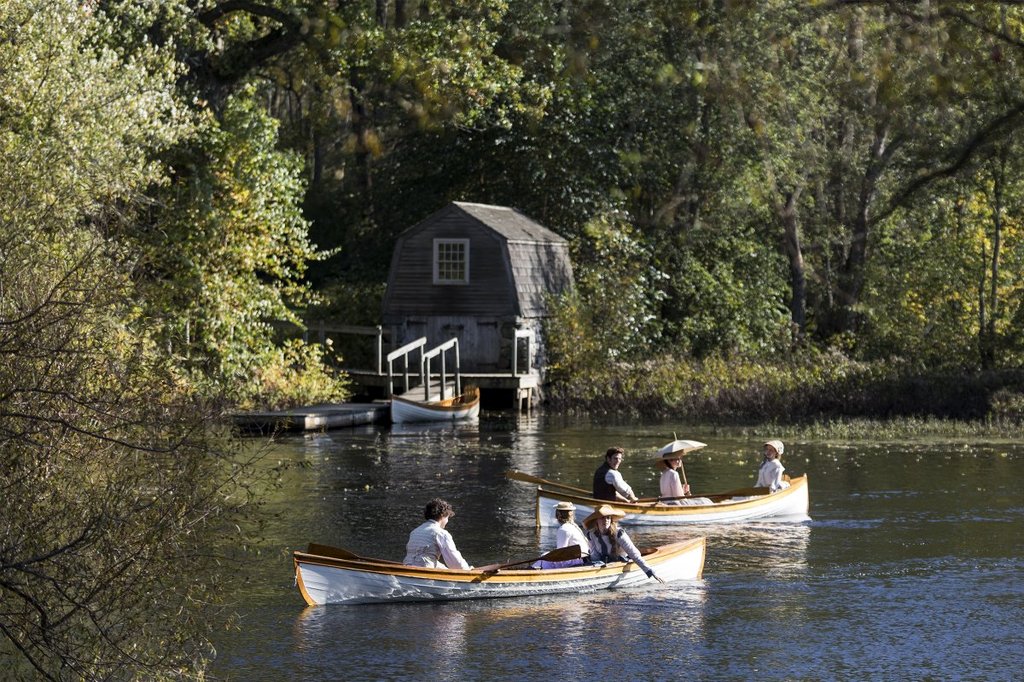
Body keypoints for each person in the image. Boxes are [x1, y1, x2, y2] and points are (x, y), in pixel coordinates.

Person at [582, 504, 663, 582]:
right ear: (596, 520)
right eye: (602, 518)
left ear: (611, 520)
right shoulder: (591, 534)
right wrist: (593, 567)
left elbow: (634, 554)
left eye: (608, 517)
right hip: (603, 564)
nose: (606, 520)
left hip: (621, 561)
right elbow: (595, 556)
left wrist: (649, 570)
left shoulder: (619, 533)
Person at [403, 498, 473, 569]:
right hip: (425, 569)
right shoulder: (441, 533)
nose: (447, 521)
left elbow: (425, 557)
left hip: (406, 566)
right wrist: (467, 569)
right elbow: (454, 560)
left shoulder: (415, 531)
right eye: (447, 518)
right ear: (442, 516)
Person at [533, 501, 588, 569]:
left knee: (543, 559)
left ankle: (531, 571)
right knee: (545, 555)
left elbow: (560, 554)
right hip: (583, 558)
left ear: (558, 514)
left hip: (577, 561)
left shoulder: (563, 529)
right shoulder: (573, 526)